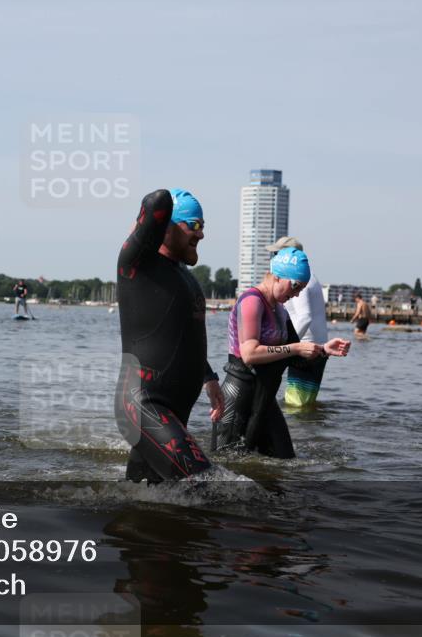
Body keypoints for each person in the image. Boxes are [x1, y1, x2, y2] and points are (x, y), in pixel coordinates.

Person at [114, 188, 224, 484]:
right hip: (144, 405)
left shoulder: (184, 277)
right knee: (207, 487)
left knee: (147, 500)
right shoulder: (138, 265)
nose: (201, 234)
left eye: (204, 226)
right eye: (195, 225)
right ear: (167, 226)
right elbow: (156, 201)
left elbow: (181, 338)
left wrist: (209, 377)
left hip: (173, 411)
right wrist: (158, 219)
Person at [214, 248, 350, 458]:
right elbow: (249, 354)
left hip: (265, 398)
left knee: (285, 461)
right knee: (227, 466)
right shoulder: (251, 301)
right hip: (241, 394)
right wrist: (295, 348)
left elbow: (296, 358)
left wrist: (324, 350)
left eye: (301, 289)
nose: (296, 294)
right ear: (276, 276)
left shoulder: (280, 310)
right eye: (295, 286)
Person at [260, 237, 329, 408]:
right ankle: (307, 433)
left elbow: (305, 316)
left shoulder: (298, 280)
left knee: (295, 405)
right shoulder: (308, 277)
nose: (273, 258)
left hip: (307, 347)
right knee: (304, 404)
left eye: (276, 254)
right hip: (313, 346)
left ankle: (298, 434)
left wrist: (287, 347)